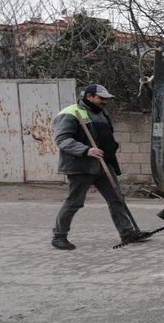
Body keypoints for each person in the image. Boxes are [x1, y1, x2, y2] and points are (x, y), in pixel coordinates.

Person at [52, 84, 152, 250]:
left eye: (106, 99)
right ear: (89, 96)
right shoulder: (70, 113)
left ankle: (127, 232)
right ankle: (59, 236)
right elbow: (62, 140)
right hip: (81, 166)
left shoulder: (101, 113)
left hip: (104, 164)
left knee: (117, 199)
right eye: (101, 98)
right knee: (74, 202)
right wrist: (86, 150)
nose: (105, 101)